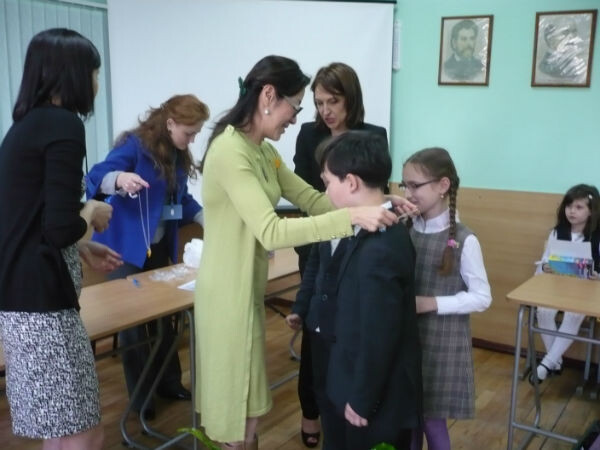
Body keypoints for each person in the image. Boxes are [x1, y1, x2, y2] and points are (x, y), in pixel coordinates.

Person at [195, 55, 413, 449]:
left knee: (249, 409)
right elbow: (271, 230)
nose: (296, 119)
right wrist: (352, 217)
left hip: (246, 288)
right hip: (226, 292)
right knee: (234, 411)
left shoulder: (263, 151)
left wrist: (377, 202)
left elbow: (312, 199)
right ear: (268, 96)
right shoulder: (230, 151)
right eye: (295, 107)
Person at [0, 28, 122, 449]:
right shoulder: (63, 125)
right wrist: (91, 212)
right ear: (73, 74)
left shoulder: (25, 126)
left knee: (60, 429)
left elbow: (30, 221)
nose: (97, 82)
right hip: (43, 306)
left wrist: (82, 245)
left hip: (20, 302)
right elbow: (58, 228)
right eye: (94, 72)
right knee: (84, 433)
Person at [286, 131, 422, 450]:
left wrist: (362, 398)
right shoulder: (364, 228)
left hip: (372, 400)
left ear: (351, 182)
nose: (325, 191)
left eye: (328, 182)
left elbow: (379, 333)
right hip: (347, 377)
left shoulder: (380, 247)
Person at [86, 94, 209, 417]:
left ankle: (169, 383)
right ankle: (142, 400)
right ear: (169, 124)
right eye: (189, 133)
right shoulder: (134, 146)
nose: (192, 140)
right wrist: (119, 179)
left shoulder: (177, 155)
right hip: (125, 247)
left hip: (157, 246)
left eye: (196, 134)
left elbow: (180, 199)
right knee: (134, 326)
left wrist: (204, 218)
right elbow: (95, 177)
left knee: (164, 317)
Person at [292, 61, 388, 447]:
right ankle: (311, 410)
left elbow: (375, 189)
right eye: (319, 103)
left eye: (333, 101)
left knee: (349, 326)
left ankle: (350, 403)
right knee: (316, 330)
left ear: (351, 99)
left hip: (358, 240)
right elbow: (303, 190)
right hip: (319, 240)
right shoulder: (308, 135)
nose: (326, 110)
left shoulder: (373, 135)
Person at [401, 147, 492, 450]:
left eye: (415, 185)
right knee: (407, 417)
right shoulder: (404, 229)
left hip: (442, 342)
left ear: (443, 186)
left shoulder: (465, 240)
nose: (408, 193)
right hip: (406, 338)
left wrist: (432, 303)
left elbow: (482, 297)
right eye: (404, 185)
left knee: (431, 419)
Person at [532, 184, 600, 384]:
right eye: (569, 206)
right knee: (543, 311)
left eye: (579, 207)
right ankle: (555, 361)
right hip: (557, 286)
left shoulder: (597, 235)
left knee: (574, 313)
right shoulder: (557, 232)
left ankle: (546, 364)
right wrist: (545, 268)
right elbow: (544, 262)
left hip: (586, 289)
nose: (572, 211)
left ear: (591, 211)